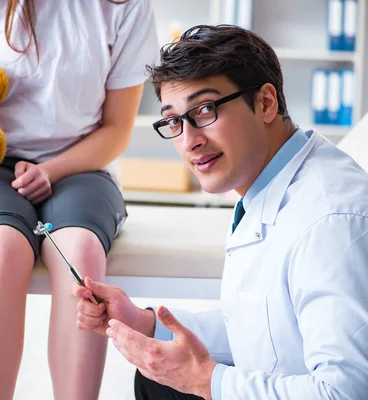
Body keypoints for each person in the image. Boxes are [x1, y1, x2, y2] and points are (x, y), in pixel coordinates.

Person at [74, 24, 368, 400]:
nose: (190, 140)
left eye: (205, 110)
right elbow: (267, 327)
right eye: (174, 121)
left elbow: (346, 393)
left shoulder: (330, 222)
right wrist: (146, 324)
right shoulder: (268, 185)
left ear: (265, 103)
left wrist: (205, 381)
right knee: (154, 380)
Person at [0, 0, 158, 398]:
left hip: (83, 164)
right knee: (3, 250)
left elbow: (117, 130)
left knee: (81, 257)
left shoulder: (126, 6)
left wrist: (50, 171)